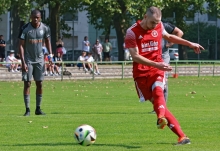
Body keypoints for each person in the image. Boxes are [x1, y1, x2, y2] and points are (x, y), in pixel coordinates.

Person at [125, 6, 204, 145]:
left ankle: (161, 118)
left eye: (157, 22)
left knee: (158, 90)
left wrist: (190, 44)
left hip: (158, 67)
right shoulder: (131, 32)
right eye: (152, 22)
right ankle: (182, 136)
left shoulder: (159, 25)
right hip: (142, 73)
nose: (155, 25)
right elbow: (135, 56)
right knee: (157, 103)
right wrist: (157, 65)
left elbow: (169, 36)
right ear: (145, 17)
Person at [18, 10, 52, 116]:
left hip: (40, 60)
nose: (35, 19)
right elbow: (21, 45)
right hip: (28, 60)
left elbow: (47, 41)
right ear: (30, 17)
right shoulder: (25, 29)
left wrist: (50, 55)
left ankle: (38, 108)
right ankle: (27, 109)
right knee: (27, 83)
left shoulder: (45, 28)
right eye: (34, 17)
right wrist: (23, 62)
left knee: (40, 83)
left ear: (40, 17)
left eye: (37, 17)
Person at [149, 22, 183, 114]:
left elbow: (179, 32)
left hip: (163, 57)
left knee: (162, 81)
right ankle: (157, 106)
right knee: (152, 82)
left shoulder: (164, 25)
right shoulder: (146, 26)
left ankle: (161, 107)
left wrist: (170, 43)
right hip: (152, 58)